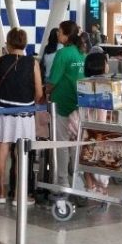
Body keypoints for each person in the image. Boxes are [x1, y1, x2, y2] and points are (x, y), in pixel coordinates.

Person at [0, 28, 42, 203]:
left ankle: (1, 191)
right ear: (25, 43)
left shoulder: (0, 60)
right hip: (24, 112)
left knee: (2, 148)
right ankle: (18, 195)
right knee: (21, 153)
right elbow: (39, 92)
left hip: (3, 110)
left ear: (9, 42)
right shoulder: (32, 63)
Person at [46, 20, 86, 190]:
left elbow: (53, 81)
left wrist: (44, 93)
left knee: (61, 144)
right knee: (76, 144)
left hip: (61, 103)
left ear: (67, 35)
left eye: (60, 32)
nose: (58, 34)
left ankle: (62, 181)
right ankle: (78, 181)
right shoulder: (82, 52)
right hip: (79, 104)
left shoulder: (62, 54)